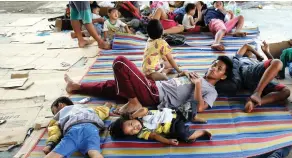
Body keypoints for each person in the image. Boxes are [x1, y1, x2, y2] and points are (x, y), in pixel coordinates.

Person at [3, 96, 111, 158]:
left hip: (73, 130)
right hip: (91, 128)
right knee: (95, 154)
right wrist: (107, 105)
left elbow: (54, 132)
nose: (55, 114)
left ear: (60, 105)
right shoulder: (86, 109)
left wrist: (49, 145)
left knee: (51, 157)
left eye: (54, 111)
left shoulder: (59, 116)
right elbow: (102, 111)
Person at [64, 55, 233, 114]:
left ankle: (134, 102)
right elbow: (175, 82)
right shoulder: (197, 76)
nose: (213, 69)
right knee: (112, 85)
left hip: (154, 95)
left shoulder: (212, 91)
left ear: (223, 77)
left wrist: (196, 85)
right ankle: (76, 87)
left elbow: (201, 108)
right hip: (154, 86)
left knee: (120, 63)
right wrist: (183, 74)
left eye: (218, 69)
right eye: (214, 64)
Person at [215, 42, 291, 113]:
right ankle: (258, 92)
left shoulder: (258, 63)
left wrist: (266, 52)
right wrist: (258, 54)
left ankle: (254, 102)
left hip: (260, 81)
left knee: (286, 92)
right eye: (249, 52)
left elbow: (275, 68)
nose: (250, 53)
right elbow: (246, 46)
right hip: (247, 71)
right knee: (277, 62)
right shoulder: (239, 58)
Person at [109, 107, 212, 145]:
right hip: (173, 125)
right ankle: (203, 132)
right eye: (132, 131)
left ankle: (194, 118)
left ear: (130, 119)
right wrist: (168, 141)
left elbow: (144, 110)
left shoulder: (139, 115)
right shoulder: (142, 133)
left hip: (173, 112)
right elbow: (154, 136)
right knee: (184, 135)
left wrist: (133, 115)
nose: (135, 128)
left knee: (191, 107)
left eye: (131, 124)